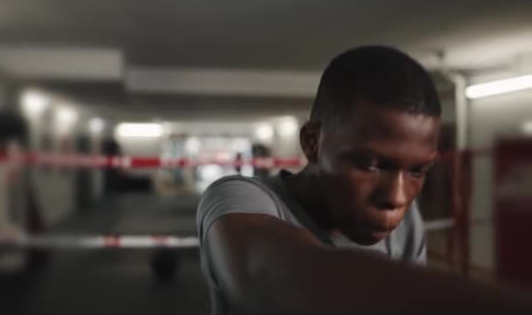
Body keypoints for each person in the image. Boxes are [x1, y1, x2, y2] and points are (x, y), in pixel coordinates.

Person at [196, 45, 531, 314]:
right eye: (371, 165)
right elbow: (269, 272)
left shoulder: (405, 223)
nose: (397, 197)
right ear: (313, 142)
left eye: (417, 171)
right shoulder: (238, 199)